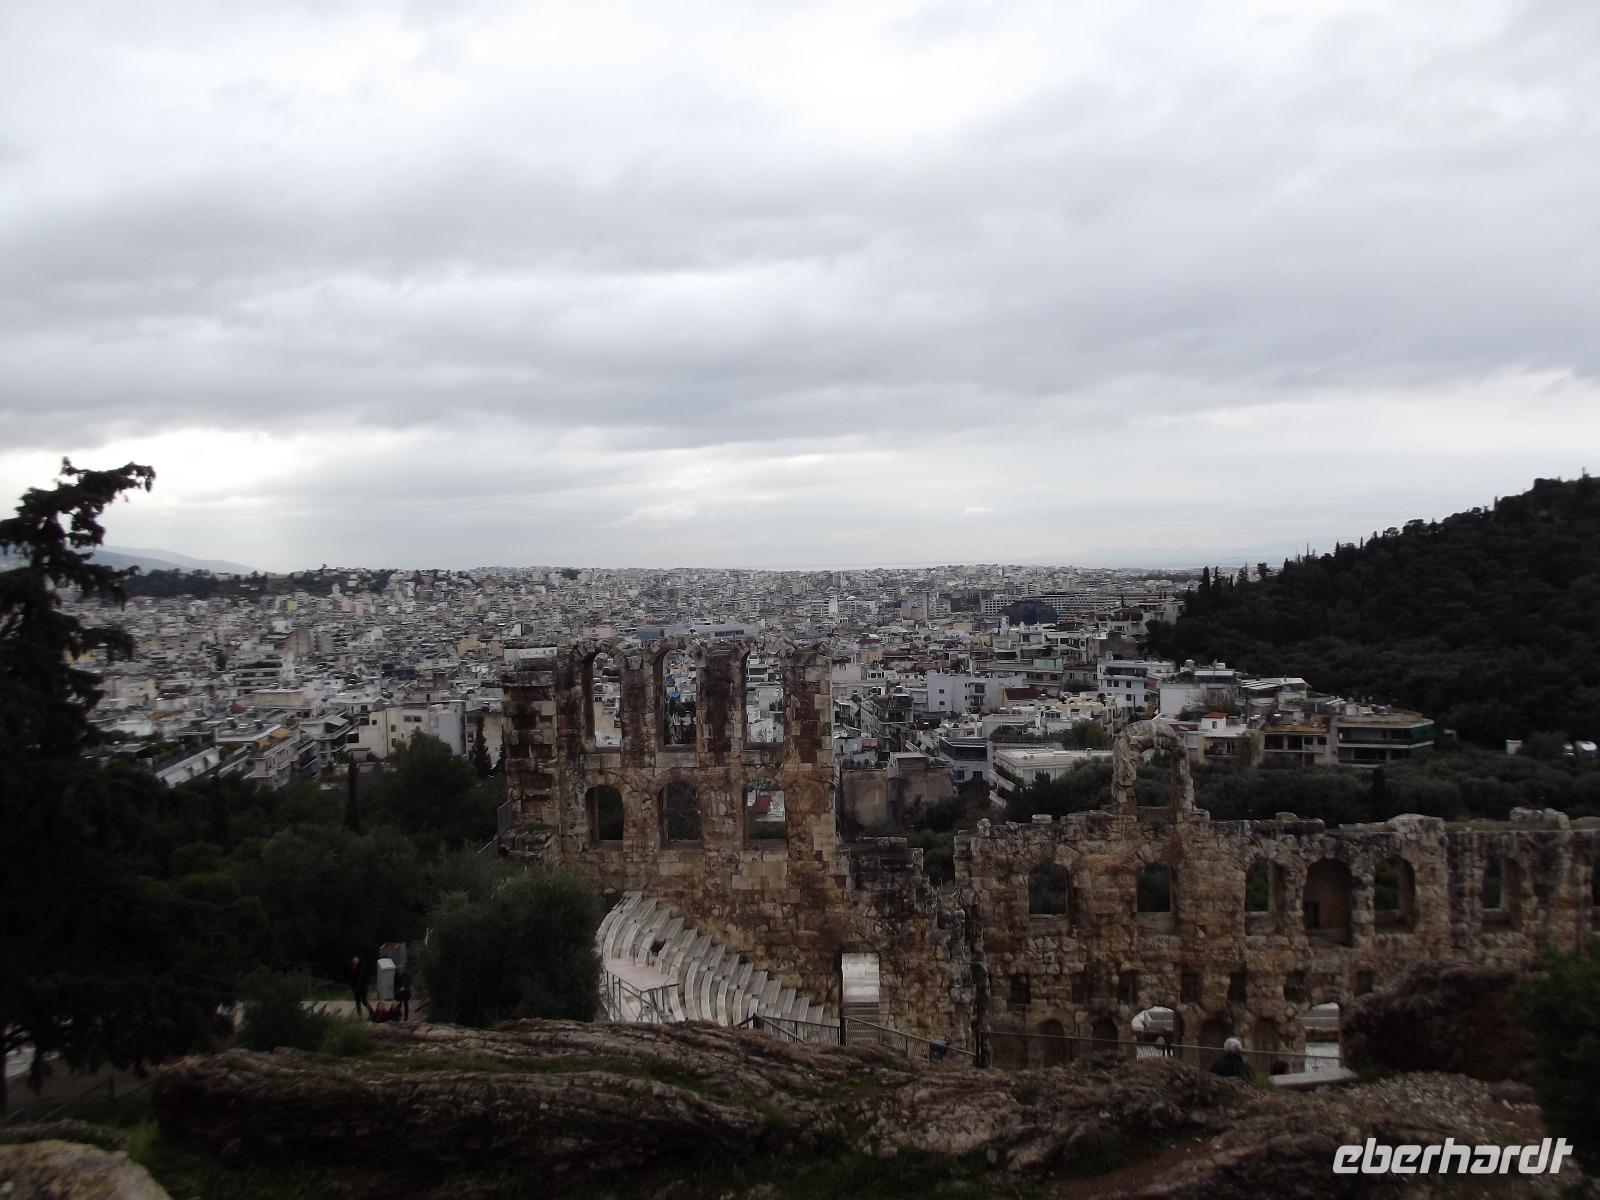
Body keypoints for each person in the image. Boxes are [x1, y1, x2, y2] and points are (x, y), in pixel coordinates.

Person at [351, 953, 374, 1019]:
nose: (355, 962)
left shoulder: (362, 968)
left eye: (356, 960)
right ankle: (360, 1016)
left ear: (358, 960)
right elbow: (352, 979)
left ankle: (371, 1011)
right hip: (356, 988)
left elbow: (367, 978)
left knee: (364, 1001)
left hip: (363, 988)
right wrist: (352, 987)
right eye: (354, 961)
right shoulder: (353, 968)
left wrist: (365, 986)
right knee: (357, 1002)